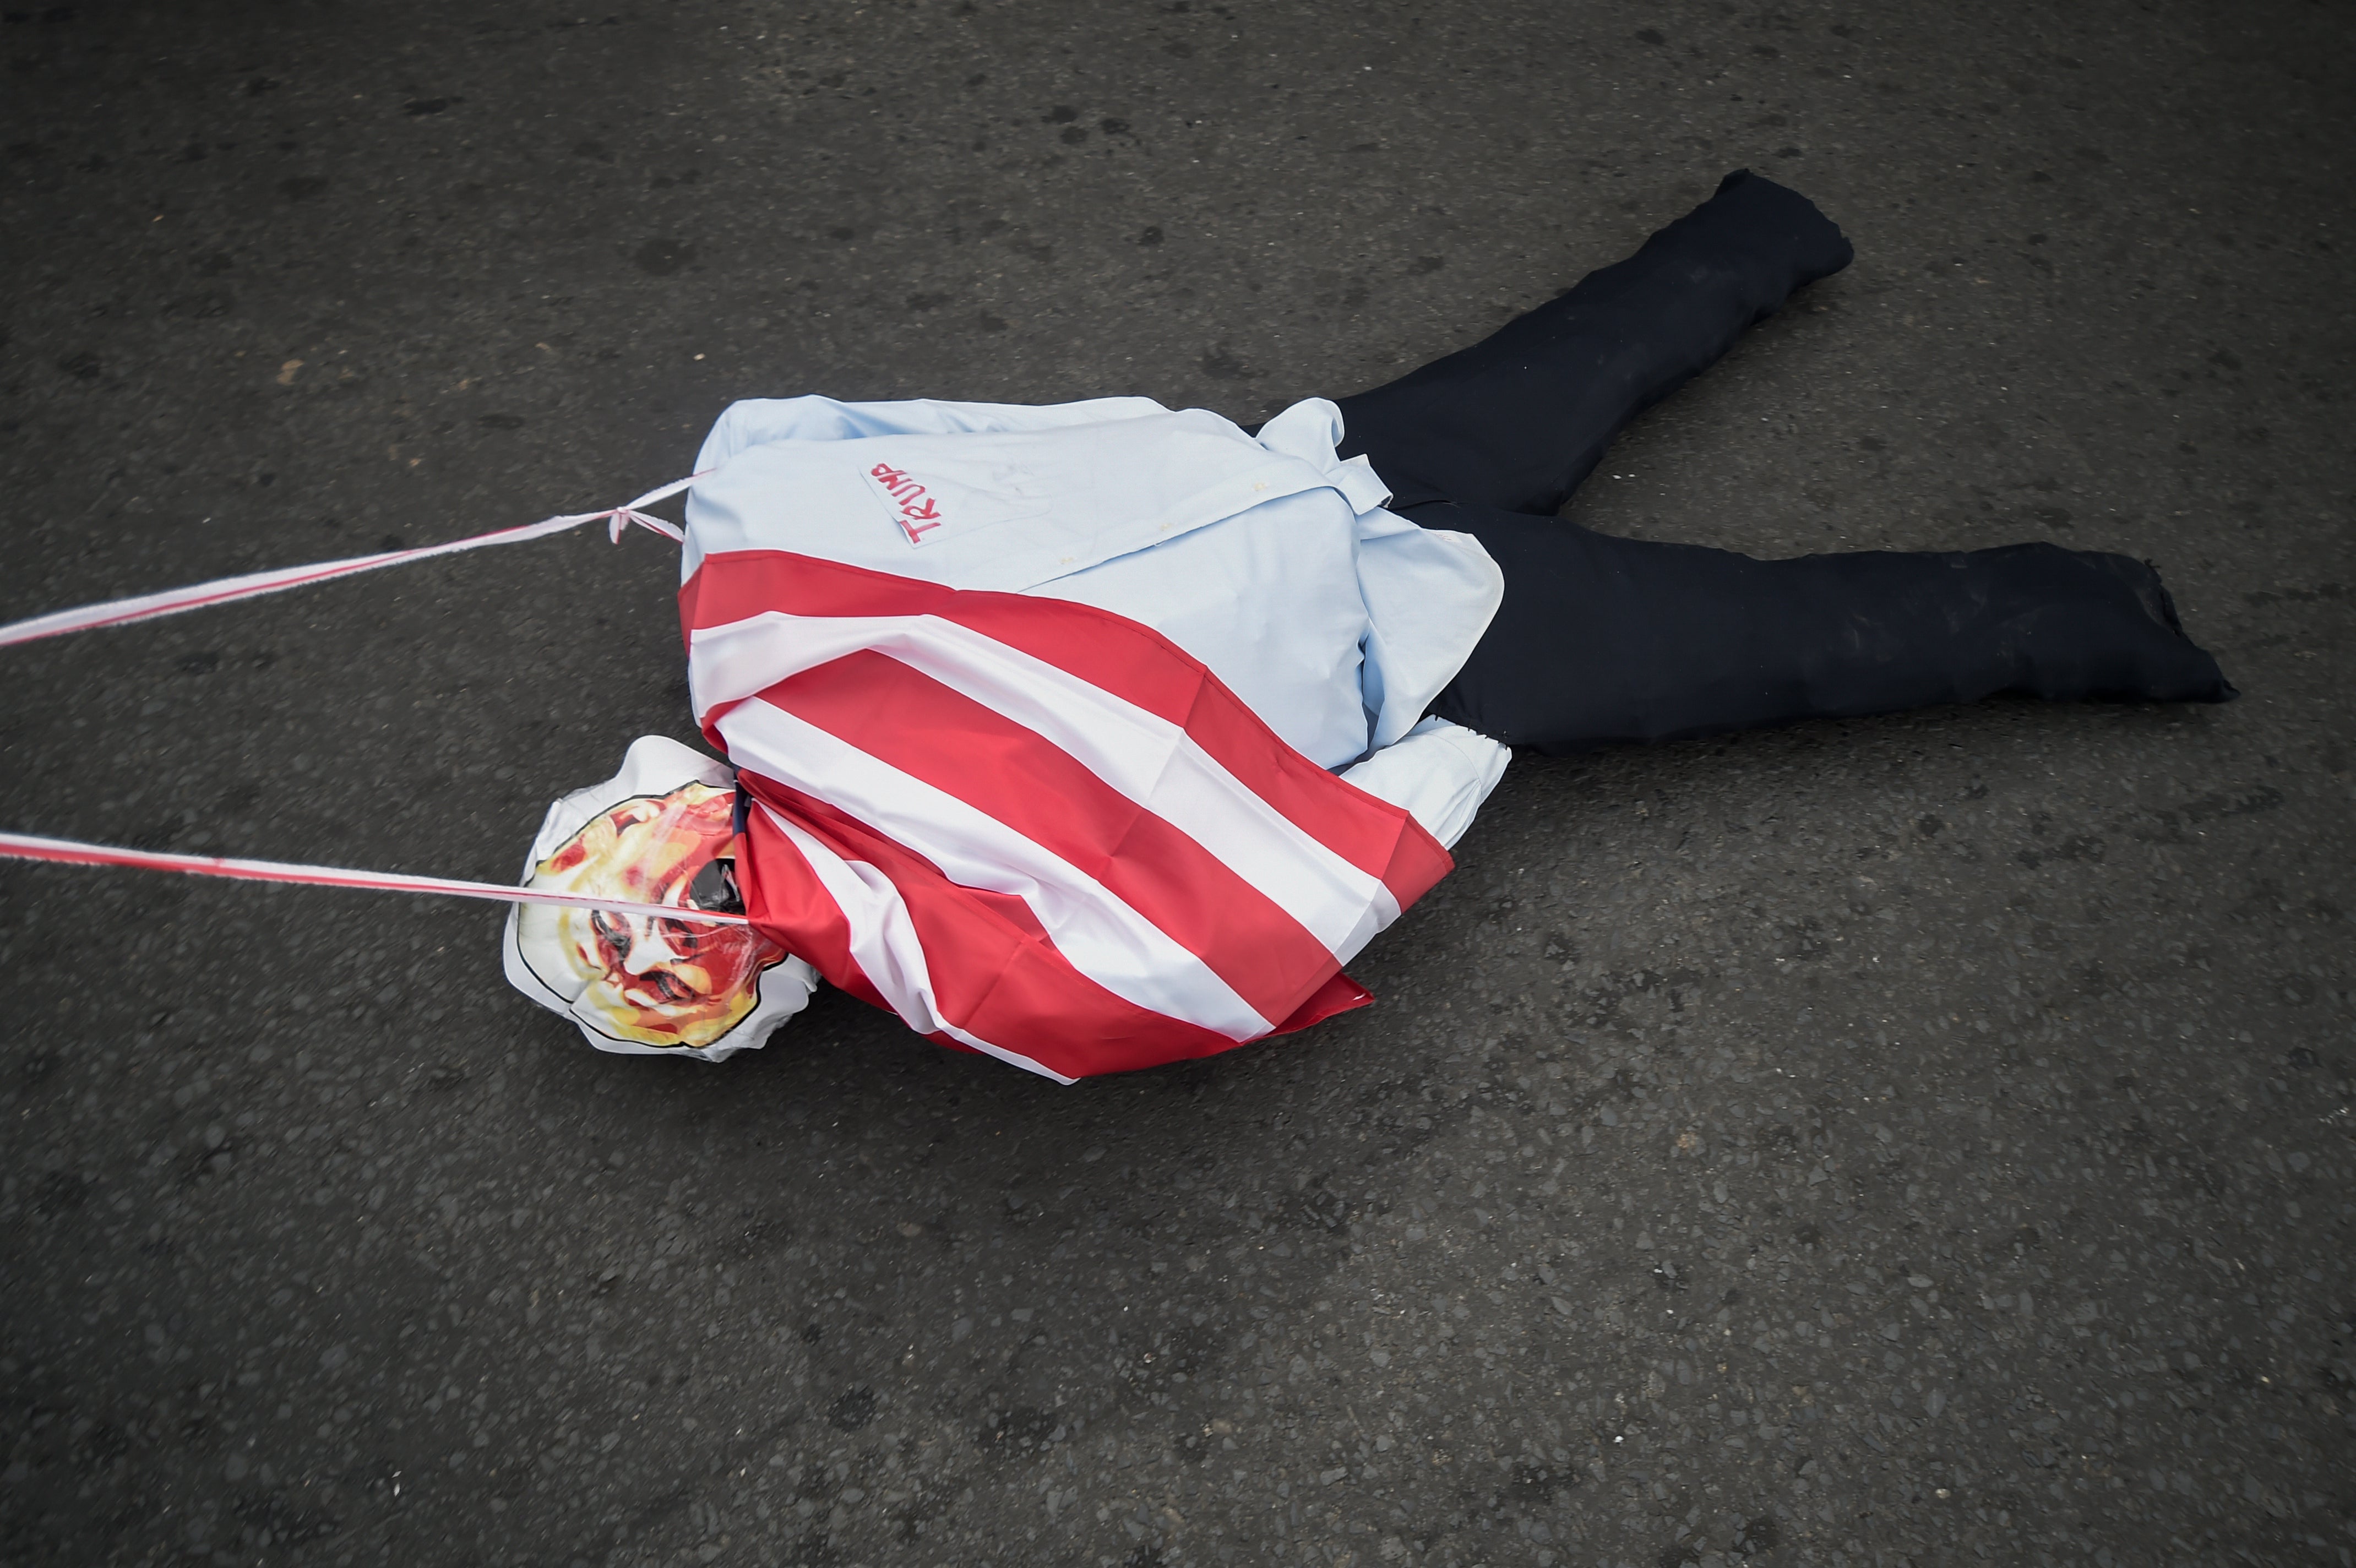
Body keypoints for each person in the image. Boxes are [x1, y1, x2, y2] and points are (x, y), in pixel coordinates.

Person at [507, 169, 2230, 1075]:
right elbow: (1180, 963)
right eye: (668, 958)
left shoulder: (783, 683)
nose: (681, 911)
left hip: (1338, 530)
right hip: (1393, 597)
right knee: (1775, 619)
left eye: (635, 894)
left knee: (1638, 454)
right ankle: (2105, 613)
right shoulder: (909, 877)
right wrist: (1439, 754)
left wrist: (1426, 771)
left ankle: (1785, 260)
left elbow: (1192, 962)